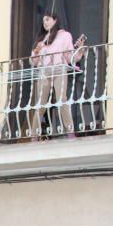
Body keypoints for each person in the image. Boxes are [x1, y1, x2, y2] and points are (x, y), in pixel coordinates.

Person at [29, 11, 84, 139]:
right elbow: (33, 62)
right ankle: (33, 136)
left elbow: (70, 57)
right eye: (43, 21)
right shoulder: (41, 39)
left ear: (55, 20)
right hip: (43, 71)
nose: (45, 23)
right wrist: (36, 51)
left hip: (59, 69)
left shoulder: (64, 35)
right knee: (40, 104)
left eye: (47, 20)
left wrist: (80, 50)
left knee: (61, 100)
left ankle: (70, 132)